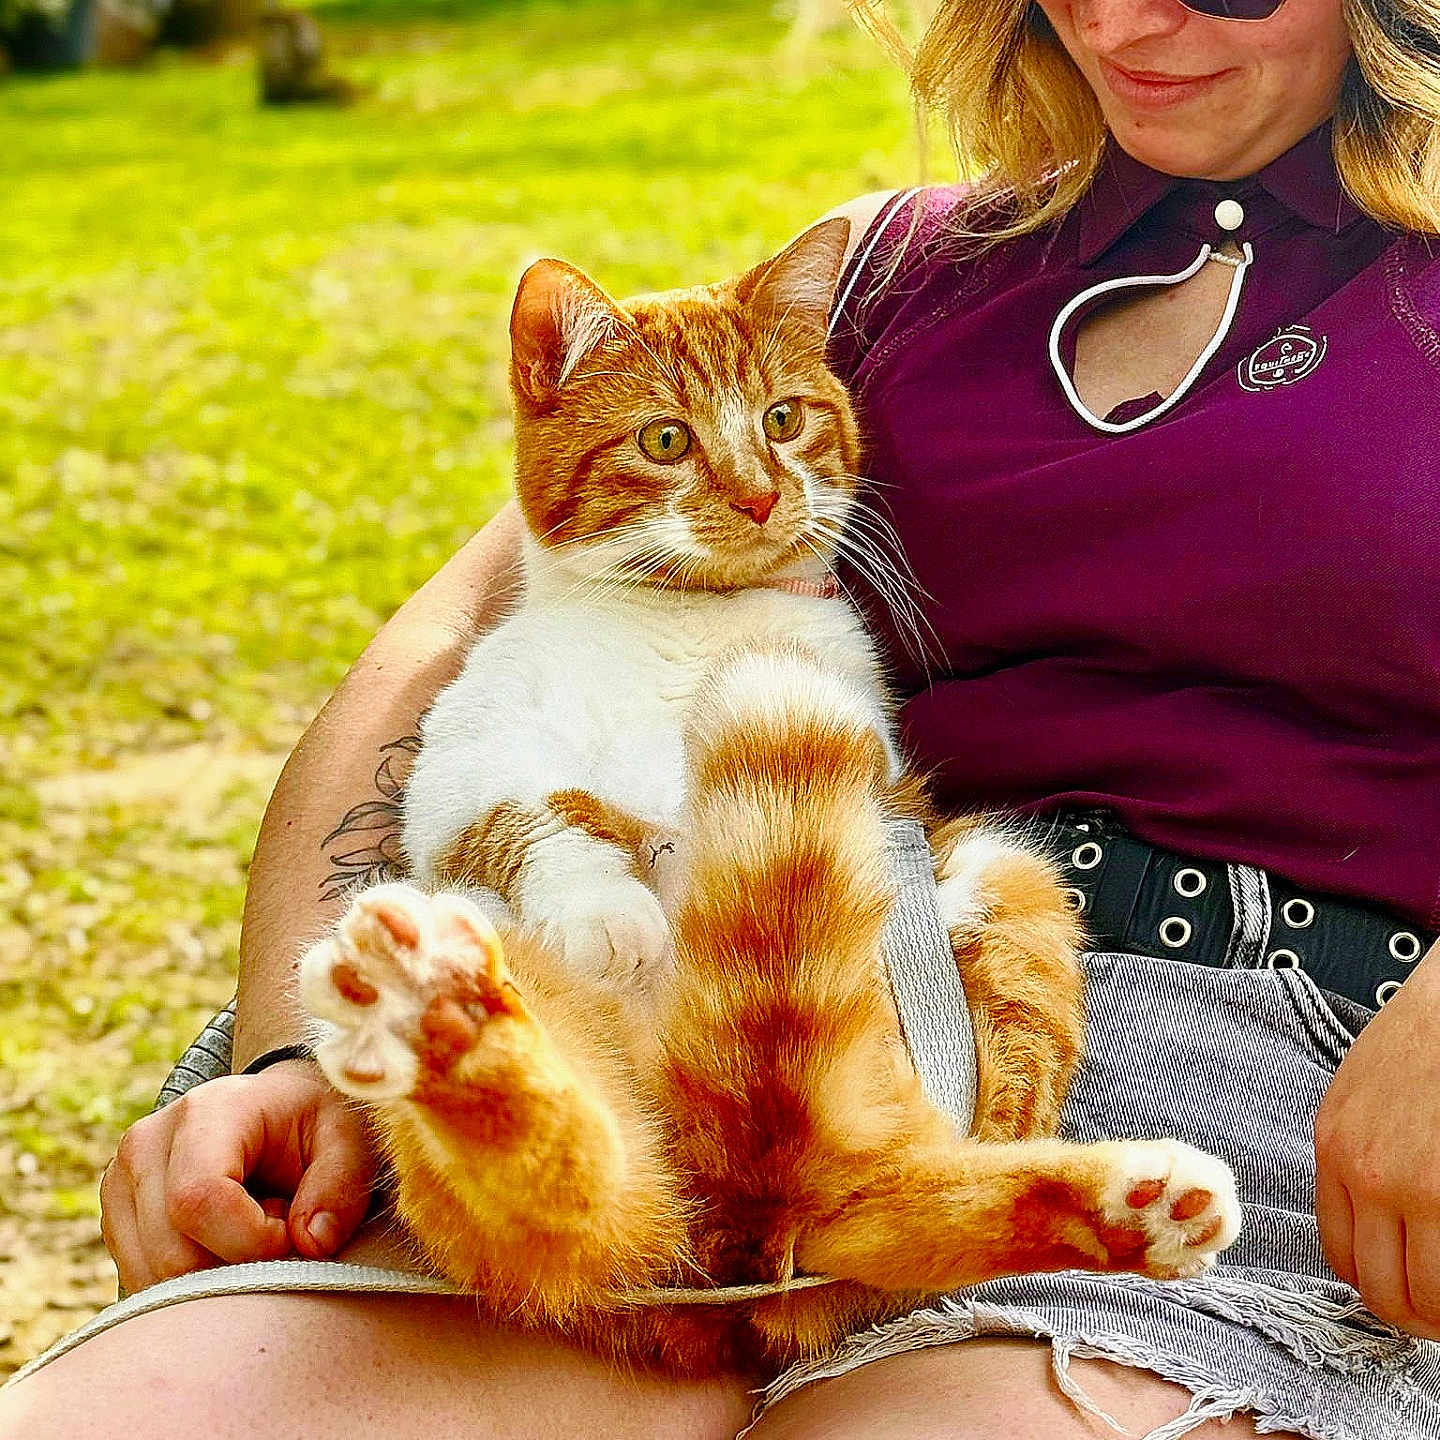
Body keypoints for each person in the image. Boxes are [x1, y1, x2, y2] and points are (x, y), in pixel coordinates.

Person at [4, 1, 1439, 1436]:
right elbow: (456, 637)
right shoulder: (889, 280)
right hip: (692, 1006)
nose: (1131, 16)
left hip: (1254, 1064)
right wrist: (308, 1051)